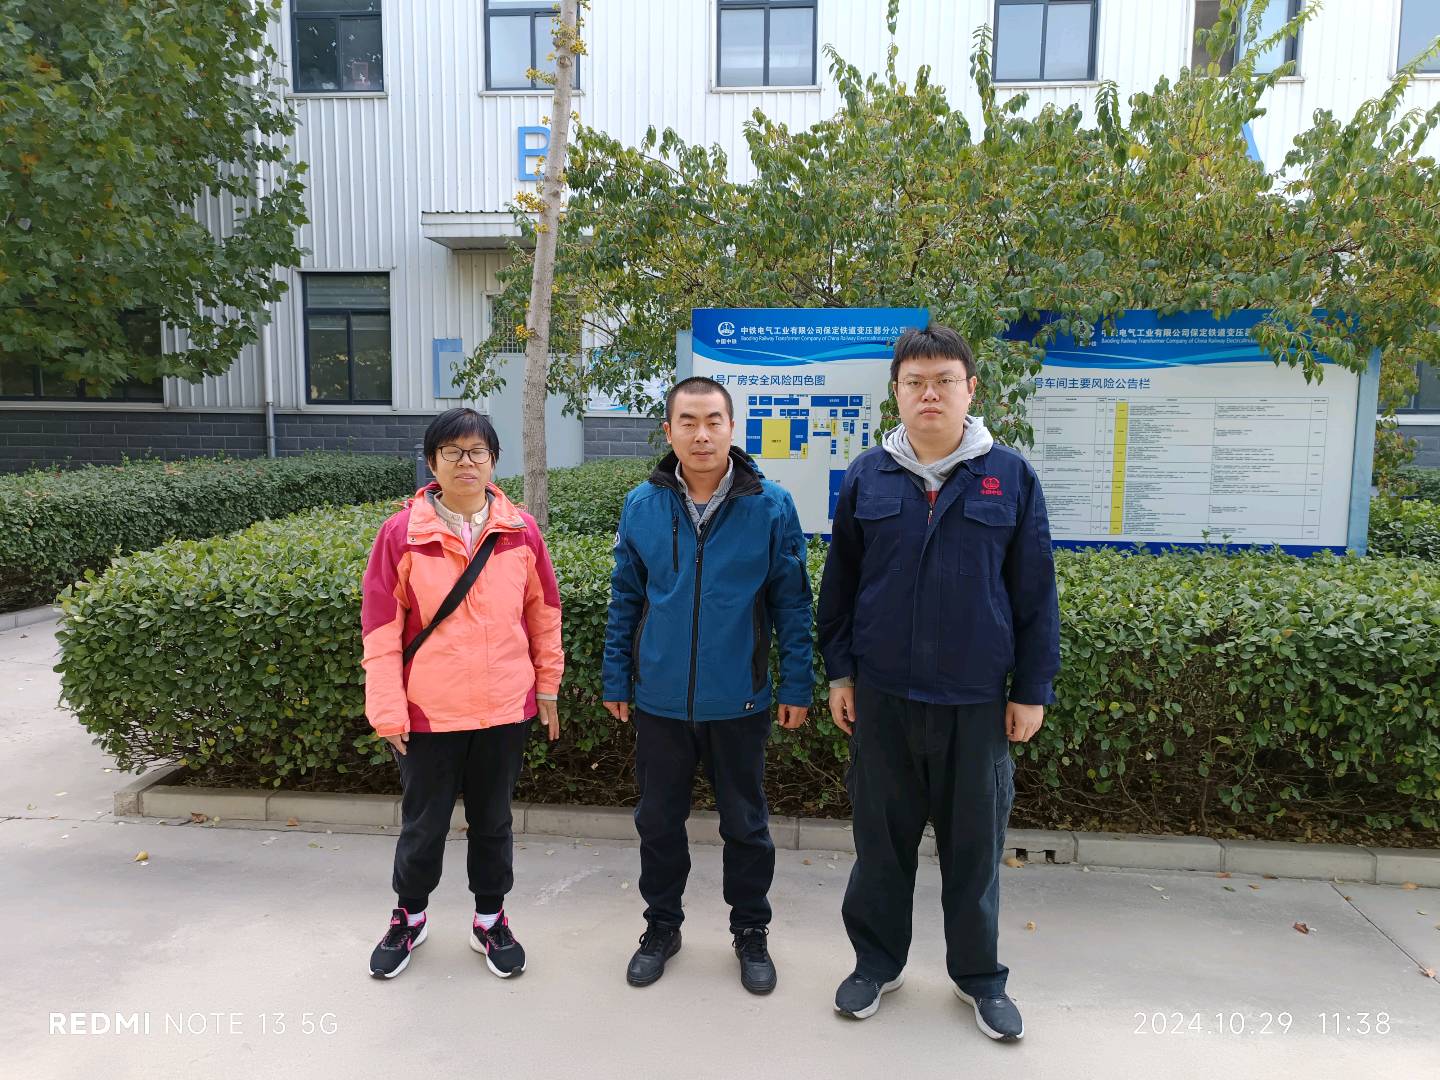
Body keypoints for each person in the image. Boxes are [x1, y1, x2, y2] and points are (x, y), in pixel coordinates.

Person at [818, 325, 1060, 1041]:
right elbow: (841, 587)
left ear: (970, 389)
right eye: (915, 382)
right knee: (880, 846)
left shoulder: (1009, 476)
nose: (930, 394)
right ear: (895, 392)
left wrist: (1031, 688)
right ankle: (876, 964)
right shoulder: (868, 476)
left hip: (975, 702)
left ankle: (979, 978)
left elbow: (1035, 593)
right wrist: (840, 672)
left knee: (975, 850)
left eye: (944, 380)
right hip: (884, 698)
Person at [602, 376, 814, 995]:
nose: (701, 434)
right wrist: (617, 677)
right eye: (688, 422)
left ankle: (750, 931)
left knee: (746, 825)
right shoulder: (642, 505)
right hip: (660, 700)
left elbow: (792, 605)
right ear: (668, 430)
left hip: (739, 699)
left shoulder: (771, 505)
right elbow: (626, 598)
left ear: (732, 428)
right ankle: (661, 927)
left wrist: (796, 687)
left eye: (713, 421)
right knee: (658, 822)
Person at [361, 408, 564, 980]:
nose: (466, 462)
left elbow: (544, 614)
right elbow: (379, 627)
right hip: (430, 712)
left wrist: (548, 686)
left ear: (494, 460)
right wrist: (387, 708)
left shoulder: (521, 530)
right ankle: (409, 916)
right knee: (422, 824)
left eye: (477, 451)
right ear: (433, 462)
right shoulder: (401, 534)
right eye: (452, 452)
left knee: (494, 821)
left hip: (504, 708)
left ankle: (490, 919)